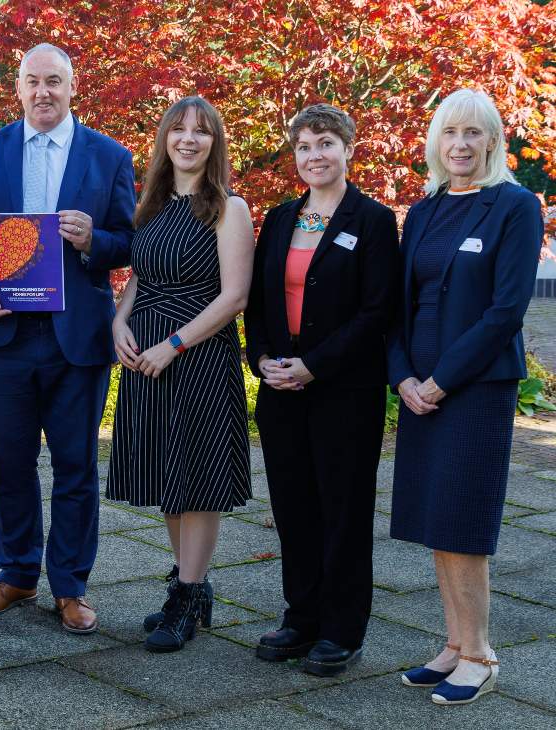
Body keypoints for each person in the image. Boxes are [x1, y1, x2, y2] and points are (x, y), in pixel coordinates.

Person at [0, 43, 136, 634]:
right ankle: (15, 574)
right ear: (18, 88)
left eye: (54, 81)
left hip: (74, 339)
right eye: (32, 81)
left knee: (76, 465)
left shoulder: (108, 156)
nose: (43, 92)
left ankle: (71, 585)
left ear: (73, 85)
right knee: (9, 463)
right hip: (4, 335)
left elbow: (130, 240)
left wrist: (94, 241)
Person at [388, 88, 542, 705]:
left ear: (493, 143)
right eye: (451, 132)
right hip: (419, 389)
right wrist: (402, 378)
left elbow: (505, 312)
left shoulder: (514, 206)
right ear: (435, 142)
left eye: (474, 134)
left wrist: (440, 380)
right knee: (436, 520)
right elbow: (396, 308)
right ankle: (452, 644)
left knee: (465, 522)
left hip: (472, 391)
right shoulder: (423, 211)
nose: (461, 144)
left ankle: (480, 653)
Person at [243, 104, 400, 675]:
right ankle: (301, 617)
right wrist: (261, 358)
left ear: (349, 148)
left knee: (344, 509)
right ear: (295, 156)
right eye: (305, 146)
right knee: (293, 507)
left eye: (327, 143)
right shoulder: (281, 218)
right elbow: (258, 301)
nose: (316, 155)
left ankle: (341, 628)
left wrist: (313, 364)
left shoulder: (374, 220)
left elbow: (378, 311)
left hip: (344, 392)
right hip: (280, 390)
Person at [105, 96, 254, 653]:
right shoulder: (153, 203)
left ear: (215, 144)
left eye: (202, 132)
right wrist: (119, 321)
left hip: (198, 357)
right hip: (146, 357)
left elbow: (235, 296)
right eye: (178, 130)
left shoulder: (226, 208)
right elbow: (142, 278)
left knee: (198, 480)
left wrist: (172, 344)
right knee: (169, 477)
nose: (188, 139)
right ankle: (189, 583)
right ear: (165, 139)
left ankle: (187, 595)